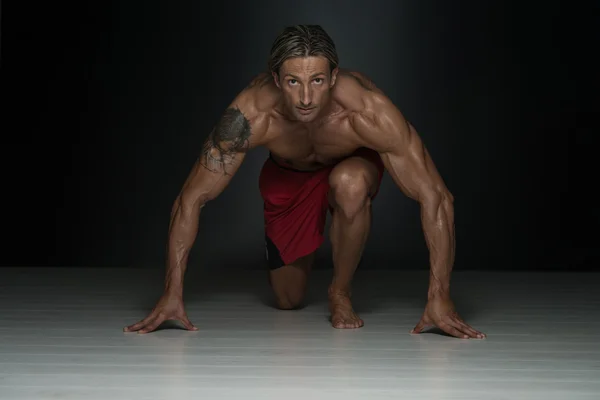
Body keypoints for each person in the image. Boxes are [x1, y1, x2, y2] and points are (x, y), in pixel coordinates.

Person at [124, 25, 485, 339]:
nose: (307, 98)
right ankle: (299, 238)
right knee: (287, 301)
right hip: (289, 176)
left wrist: (440, 296)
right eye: (294, 82)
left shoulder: (367, 112)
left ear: (333, 76)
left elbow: (436, 197)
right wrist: (172, 293)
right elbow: (191, 199)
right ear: (277, 79)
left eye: (317, 81)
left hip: (349, 165)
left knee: (350, 183)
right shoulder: (252, 114)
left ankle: (340, 292)